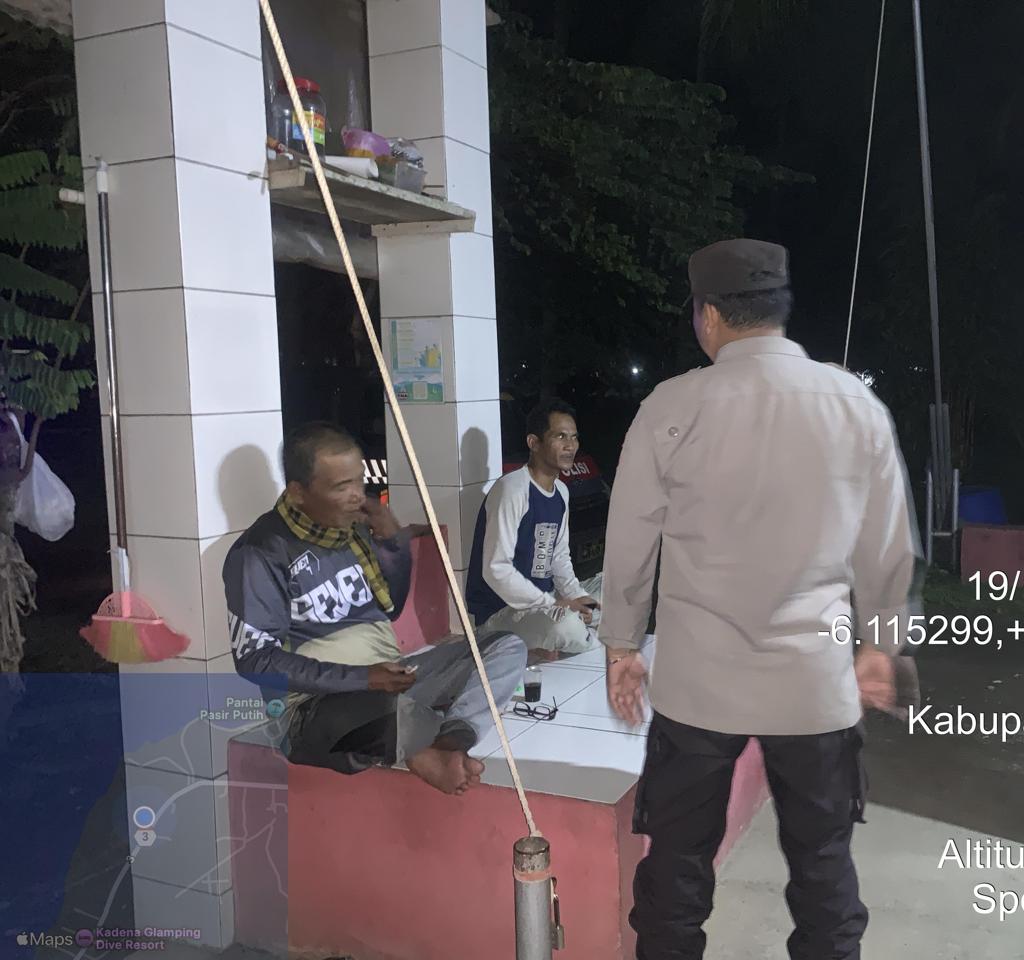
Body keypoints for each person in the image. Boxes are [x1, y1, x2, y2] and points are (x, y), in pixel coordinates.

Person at [598, 239, 923, 959]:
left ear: (709, 315)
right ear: (779, 310)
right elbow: (887, 547)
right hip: (813, 687)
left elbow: (629, 545)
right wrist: (880, 645)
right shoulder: (855, 405)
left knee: (676, 871)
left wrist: (622, 645)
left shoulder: (671, 407)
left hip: (698, 689)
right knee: (823, 869)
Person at [224, 421, 525, 795]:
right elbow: (255, 660)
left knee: (505, 648)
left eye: (359, 482)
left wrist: (392, 543)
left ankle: (447, 742)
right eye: (341, 487)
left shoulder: (351, 530)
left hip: (389, 676)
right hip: (316, 708)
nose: (357, 497)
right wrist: (362, 679)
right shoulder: (260, 552)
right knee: (380, 711)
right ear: (299, 492)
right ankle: (422, 742)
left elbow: (390, 607)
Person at [465, 399, 603, 661]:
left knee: (617, 590)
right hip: (501, 613)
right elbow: (496, 569)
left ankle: (562, 635)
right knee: (565, 625)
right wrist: (553, 605)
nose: (570, 445)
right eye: (560, 436)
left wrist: (577, 598)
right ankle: (581, 638)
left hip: (545, 604)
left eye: (574, 437)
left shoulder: (561, 491)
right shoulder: (512, 489)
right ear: (534, 442)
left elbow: (559, 558)